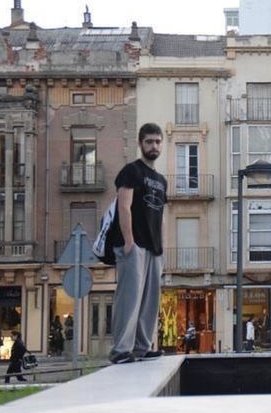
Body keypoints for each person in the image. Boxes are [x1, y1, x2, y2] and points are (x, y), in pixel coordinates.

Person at [107, 123, 168, 364]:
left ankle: (142, 347)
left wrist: (163, 248)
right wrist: (129, 241)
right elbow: (124, 206)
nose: (154, 146)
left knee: (149, 302)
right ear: (141, 143)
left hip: (154, 249)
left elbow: (161, 215)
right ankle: (121, 350)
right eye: (149, 141)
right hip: (133, 246)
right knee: (129, 299)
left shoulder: (162, 180)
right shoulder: (131, 171)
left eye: (157, 141)